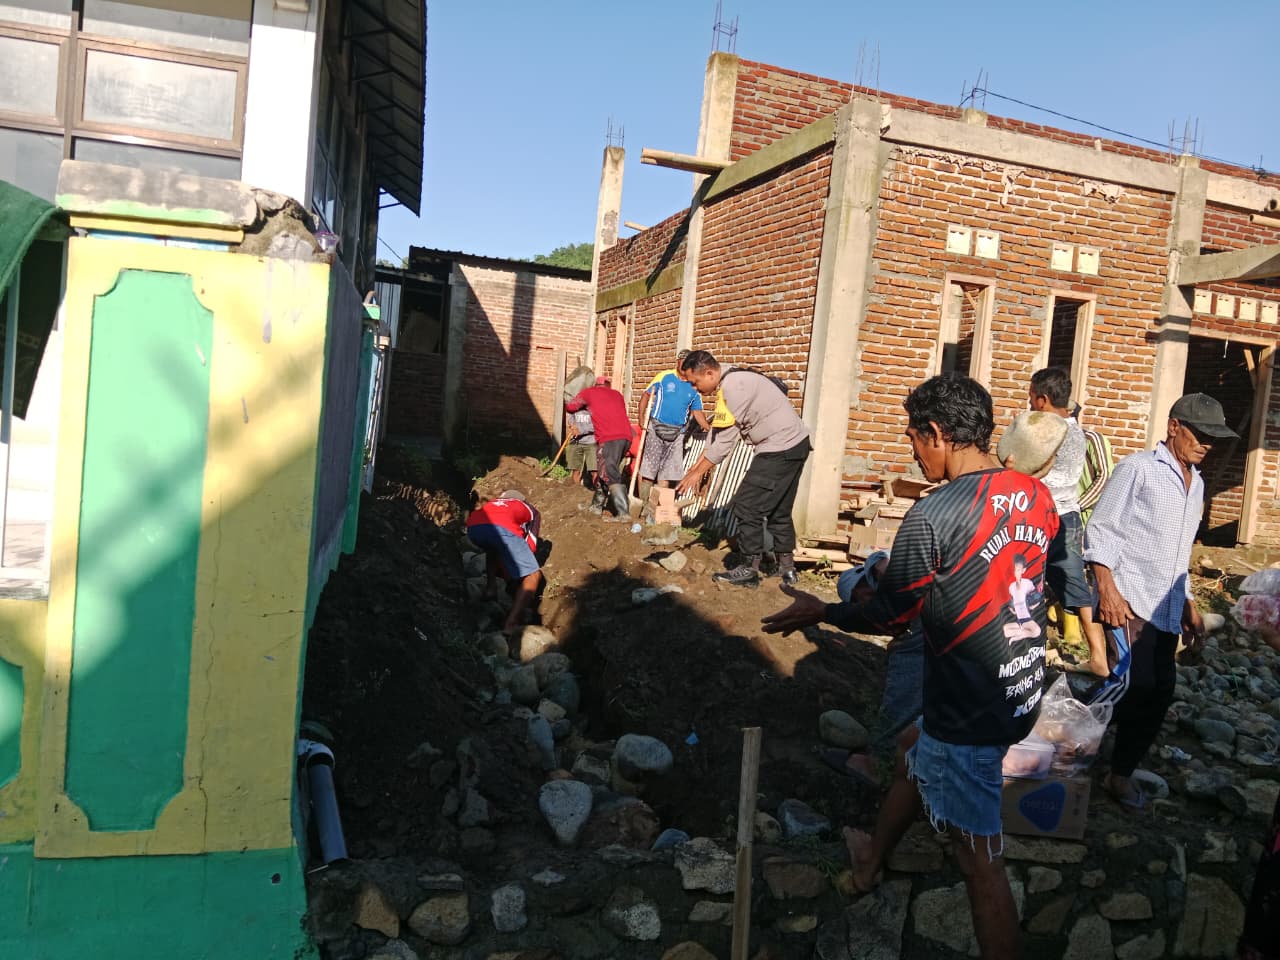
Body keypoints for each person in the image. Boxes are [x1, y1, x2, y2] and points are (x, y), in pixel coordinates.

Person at [762, 373, 1059, 960]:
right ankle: (870, 862)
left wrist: (824, 609)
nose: (912, 451)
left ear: (938, 434)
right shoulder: (1035, 495)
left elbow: (892, 614)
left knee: (979, 860)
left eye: (914, 438)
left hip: (968, 707)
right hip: (1021, 684)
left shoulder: (935, 514)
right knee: (908, 747)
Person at [1084, 392, 1234, 811]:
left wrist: (1188, 604)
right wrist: (1107, 590)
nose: (1206, 444)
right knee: (1133, 683)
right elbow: (1101, 531)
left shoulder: (1196, 483)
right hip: (1128, 599)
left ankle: (1119, 774)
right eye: (1200, 434)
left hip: (1165, 606)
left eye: (1213, 438)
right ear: (1174, 427)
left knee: (1160, 691)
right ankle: (1058, 739)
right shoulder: (1138, 469)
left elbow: (1178, 553)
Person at [676, 350, 810, 587]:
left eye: (695, 383)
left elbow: (726, 440)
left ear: (709, 373)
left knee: (746, 506)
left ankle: (749, 569)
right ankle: (787, 569)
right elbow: (717, 432)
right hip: (794, 444)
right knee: (779, 510)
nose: (695, 389)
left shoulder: (734, 387)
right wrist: (695, 468)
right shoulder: (730, 379)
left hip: (779, 447)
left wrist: (698, 472)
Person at [1028, 367, 1109, 678]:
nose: (1030, 404)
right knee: (1077, 587)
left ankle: (1021, 650)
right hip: (1069, 517)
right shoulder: (1077, 431)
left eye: (1032, 398)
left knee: (1025, 581)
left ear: (1043, 399)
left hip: (1040, 516)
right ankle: (1098, 656)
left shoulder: (1048, 431)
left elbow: (1033, 471)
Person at [465, 490, 543, 635]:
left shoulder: (493, 503)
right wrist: (519, 577)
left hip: (473, 528)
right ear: (522, 501)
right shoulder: (531, 510)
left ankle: (490, 589)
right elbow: (530, 546)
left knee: (493, 548)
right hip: (502, 528)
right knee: (533, 575)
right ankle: (511, 624)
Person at [639, 361, 710, 496]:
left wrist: (708, 428)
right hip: (656, 428)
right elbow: (646, 395)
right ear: (677, 362)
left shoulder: (694, 386)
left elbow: (697, 412)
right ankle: (643, 501)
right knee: (649, 471)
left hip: (677, 434)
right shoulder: (664, 376)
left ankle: (659, 506)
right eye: (682, 361)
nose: (684, 364)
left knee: (666, 475)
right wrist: (641, 417)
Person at [565, 375, 632, 518]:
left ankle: (623, 513)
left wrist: (582, 402)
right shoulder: (617, 395)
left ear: (595, 385)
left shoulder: (589, 392)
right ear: (608, 385)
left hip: (609, 439)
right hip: (626, 438)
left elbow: (570, 406)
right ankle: (596, 506)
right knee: (605, 470)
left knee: (609, 473)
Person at [1074, 402, 1114, 525]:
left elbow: (1105, 477)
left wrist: (1076, 507)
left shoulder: (1091, 439)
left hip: (1085, 519)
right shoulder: (1050, 442)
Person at [565, 407, 597, 488]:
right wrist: (572, 425)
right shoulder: (576, 406)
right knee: (575, 470)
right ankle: (577, 491)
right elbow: (570, 418)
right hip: (576, 442)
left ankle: (597, 491)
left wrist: (581, 430)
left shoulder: (595, 407)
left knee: (594, 471)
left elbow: (597, 425)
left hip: (591, 442)